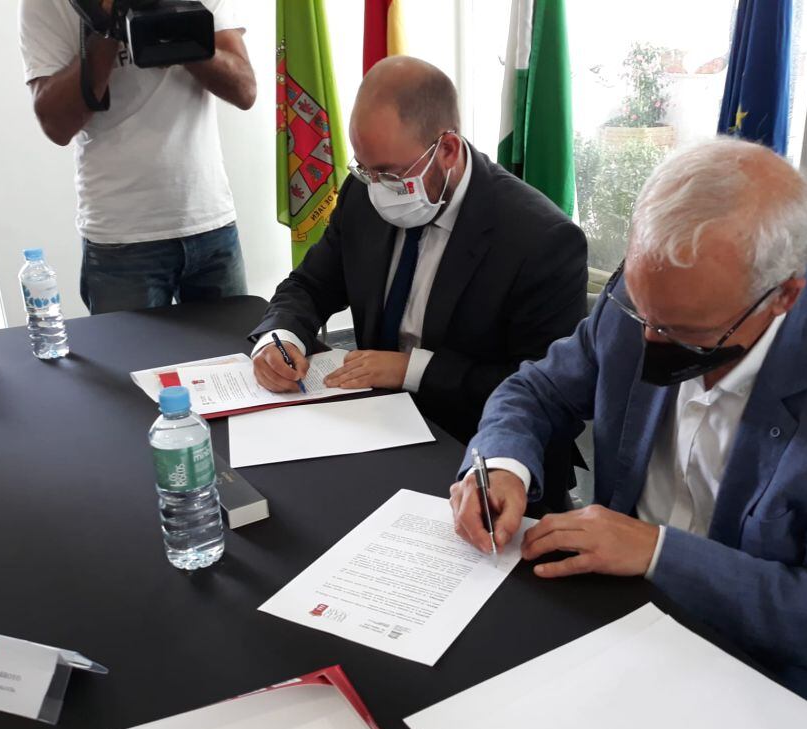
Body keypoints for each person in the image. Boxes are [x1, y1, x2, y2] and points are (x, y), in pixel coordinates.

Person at [449, 137, 807, 729]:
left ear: (783, 297)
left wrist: (657, 551)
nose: (650, 340)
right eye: (644, 312)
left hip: (784, 684)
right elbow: (536, 390)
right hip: (628, 619)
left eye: (685, 332)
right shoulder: (647, 301)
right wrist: (502, 465)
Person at [249, 56, 587, 508]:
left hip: (476, 452)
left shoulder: (540, 239)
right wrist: (281, 336)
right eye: (364, 168)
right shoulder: (364, 192)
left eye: (389, 172)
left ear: (447, 149)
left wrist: (411, 369)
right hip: (373, 425)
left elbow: (544, 387)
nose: (376, 187)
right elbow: (309, 285)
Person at [19, 0, 256, 313]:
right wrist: (107, 25)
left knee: (233, 356)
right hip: (121, 237)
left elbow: (244, 90)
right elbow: (56, 126)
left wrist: (173, 34)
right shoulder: (49, 4)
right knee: (130, 362)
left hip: (209, 221)